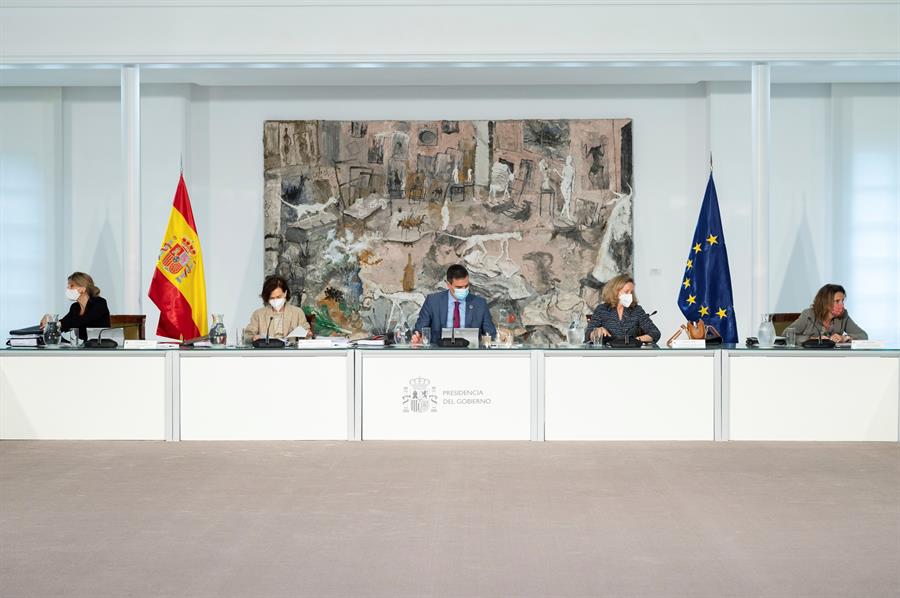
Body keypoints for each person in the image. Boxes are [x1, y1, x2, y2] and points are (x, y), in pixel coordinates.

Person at [412, 264, 497, 345]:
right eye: (459, 287)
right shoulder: (433, 301)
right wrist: (417, 336)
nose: (464, 290)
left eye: (466, 286)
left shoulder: (480, 303)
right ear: (449, 285)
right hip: (439, 354)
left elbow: (490, 334)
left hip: (470, 354)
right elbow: (420, 329)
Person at [586, 274, 660, 344]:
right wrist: (596, 332)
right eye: (626, 291)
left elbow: (655, 333)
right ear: (615, 291)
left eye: (631, 292)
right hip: (607, 354)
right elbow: (588, 334)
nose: (630, 295)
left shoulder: (637, 310)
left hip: (630, 353)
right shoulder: (601, 309)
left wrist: (634, 341)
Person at [783, 284, 867, 344]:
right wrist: (812, 339)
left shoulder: (843, 316)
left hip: (834, 359)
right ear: (825, 302)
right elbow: (786, 334)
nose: (842, 305)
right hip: (808, 358)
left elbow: (863, 335)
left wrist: (845, 338)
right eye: (837, 301)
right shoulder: (809, 314)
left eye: (842, 301)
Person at [41, 272, 110, 341]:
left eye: (71, 286)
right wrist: (49, 321)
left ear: (83, 289)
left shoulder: (99, 302)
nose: (67, 288)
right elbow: (65, 323)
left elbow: (82, 321)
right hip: (85, 347)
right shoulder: (75, 307)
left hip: (101, 347)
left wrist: (56, 324)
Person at [244, 276, 312, 342]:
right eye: (272, 298)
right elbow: (247, 335)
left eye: (279, 297)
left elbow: (307, 333)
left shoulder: (297, 312)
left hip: (290, 352)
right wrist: (253, 337)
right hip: (267, 352)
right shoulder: (258, 314)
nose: (275, 300)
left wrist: (307, 335)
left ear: (285, 293)